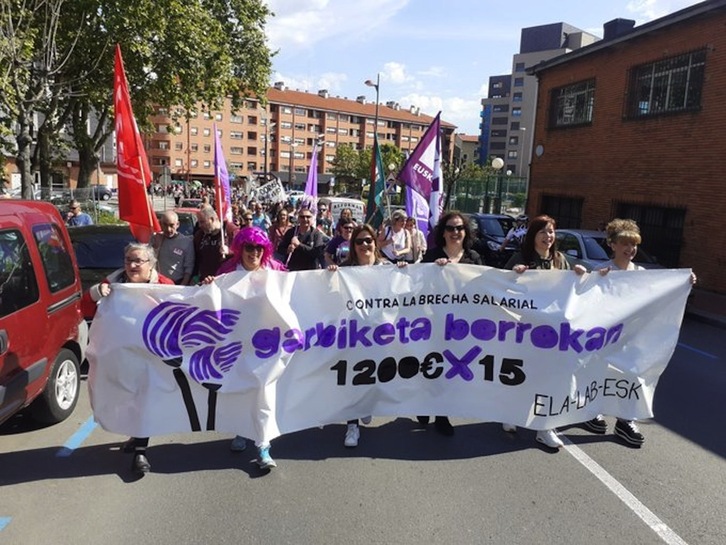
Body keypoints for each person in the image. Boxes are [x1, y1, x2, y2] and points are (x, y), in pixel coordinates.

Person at [584, 218, 697, 446]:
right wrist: (595, 281)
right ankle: (592, 410)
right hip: (606, 337)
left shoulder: (641, 273)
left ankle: (626, 420)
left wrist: (685, 282)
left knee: (631, 375)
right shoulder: (602, 271)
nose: (630, 249)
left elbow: (658, 297)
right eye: (625, 244)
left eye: (633, 245)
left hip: (632, 339)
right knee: (600, 373)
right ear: (612, 245)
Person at [81, 243, 174, 475]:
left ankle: (141, 451)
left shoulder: (165, 286)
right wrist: (95, 293)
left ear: (150, 263)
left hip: (151, 357)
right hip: (120, 355)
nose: (132, 265)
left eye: (138, 261)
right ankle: (135, 436)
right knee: (127, 397)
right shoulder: (113, 284)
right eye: (128, 260)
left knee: (146, 398)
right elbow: (85, 308)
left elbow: (180, 314)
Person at [201, 227, 286, 469]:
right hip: (237, 343)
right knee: (241, 389)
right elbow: (212, 299)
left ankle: (263, 446)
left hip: (267, 345)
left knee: (264, 392)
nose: (255, 252)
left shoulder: (275, 270)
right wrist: (209, 284)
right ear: (241, 248)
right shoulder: (228, 271)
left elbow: (296, 289)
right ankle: (242, 430)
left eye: (259, 248)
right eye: (249, 247)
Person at [502, 214, 587, 450]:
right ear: (533, 236)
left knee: (550, 378)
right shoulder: (521, 259)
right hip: (525, 330)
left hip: (553, 333)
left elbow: (575, 292)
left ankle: (544, 427)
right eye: (542, 232)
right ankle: (513, 414)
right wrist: (514, 276)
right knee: (522, 374)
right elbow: (501, 289)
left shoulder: (560, 261)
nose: (547, 237)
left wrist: (580, 276)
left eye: (551, 232)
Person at [327, 224, 407, 447]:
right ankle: (352, 425)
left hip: (380, 335)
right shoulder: (345, 269)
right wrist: (330, 276)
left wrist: (401, 269)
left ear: (375, 243)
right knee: (355, 377)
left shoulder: (387, 268)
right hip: (354, 335)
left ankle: (367, 405)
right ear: (353, 246)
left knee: (375, 375)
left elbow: (404, 293)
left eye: (368, 241)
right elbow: (331, 296)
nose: (364, 245)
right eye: (359, 242)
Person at [418, 211, 483, 436]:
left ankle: (441, 414)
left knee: (450, 370)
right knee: (432, 365)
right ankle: (425, 403)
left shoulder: (473, 258)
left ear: (465, 232)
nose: (455, 232)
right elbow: (418, 286)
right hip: (434, 323)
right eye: (450, 228)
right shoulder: (433, 255)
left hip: (462, 327)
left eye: (459, 228)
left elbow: (486, 287)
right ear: (442, 233)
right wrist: (432, 270)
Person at [151, 210, 195, 285]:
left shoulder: (186, 242)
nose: (168, 229)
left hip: (177, 283)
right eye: (165, 225)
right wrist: (156, 247)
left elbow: (189, 268)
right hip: (159, 283)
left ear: (177, 224)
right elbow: (150, 261)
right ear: (160, 224)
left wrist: (182, 286)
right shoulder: (156, 239)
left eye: (171, 225)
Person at [193, 205, 235, 281]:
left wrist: (230, 251)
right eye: (199, 222)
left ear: (212, 219)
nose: (200, 225)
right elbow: (196, 258)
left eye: (202, 222)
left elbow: (242, 253)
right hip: (205, 281)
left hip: (225, 280)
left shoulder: (230, 231)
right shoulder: (200, 235)